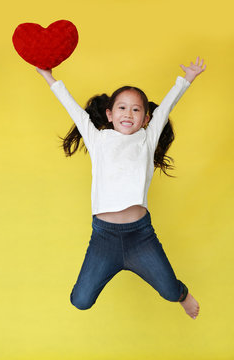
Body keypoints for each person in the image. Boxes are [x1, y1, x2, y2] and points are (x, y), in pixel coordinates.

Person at [36, 56, 206, 319]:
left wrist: (187, 78)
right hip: (104, 238)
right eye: (122, 108)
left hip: (141, 236)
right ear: (110, 114)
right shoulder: (98, 139)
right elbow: (72, 108)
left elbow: (167, 107)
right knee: (80, 301)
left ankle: (183, 295)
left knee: (171, 292)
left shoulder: (147, 139)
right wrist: (49, 76)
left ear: (146, 118)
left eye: (136, 110)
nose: (129, 114)